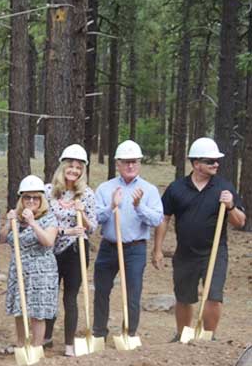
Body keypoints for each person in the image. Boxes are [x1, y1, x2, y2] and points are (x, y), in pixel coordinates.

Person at [154, 137, 246, 340]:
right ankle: (182, 335)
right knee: (184, 297)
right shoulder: (176, 188)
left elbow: (240, 222)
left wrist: (230, 205)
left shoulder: (224, 187)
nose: (216, 164)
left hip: (214, 252)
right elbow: (164, 217)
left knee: (213, 296)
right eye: (210, 161)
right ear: (196, 164)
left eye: (216, 161)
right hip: (185, 253)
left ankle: (209, 338)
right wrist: (158, 249)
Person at [92, 140, 163, 339]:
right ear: (118, 164)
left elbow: (157, 219)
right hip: (109, 247)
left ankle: (129, 333)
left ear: (139, 163)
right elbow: (95, 218)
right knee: (101, 291)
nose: (130, 166)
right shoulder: (106, 188)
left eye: (134, 162)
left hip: (135, 249)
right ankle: (99, 333)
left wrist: (139, 206)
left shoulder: (149, 190)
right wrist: (111, 206)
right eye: (125, 162)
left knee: (133, 293)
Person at [42, 144, 98, 356]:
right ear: (63, 167)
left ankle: (69, 344)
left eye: (78, 167)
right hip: (51, 250)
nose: (74, 170)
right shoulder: (49, 192)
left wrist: (81, 214)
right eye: (70, 166)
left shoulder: (87, 195)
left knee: (70, 297)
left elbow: (92, 227)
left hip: (76, 250)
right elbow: (44, 221)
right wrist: (65, 230)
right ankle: (46, 336)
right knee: (50, 294)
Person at [0, 175, 58, 354]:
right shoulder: (16, 218)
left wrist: (33, 223)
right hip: (19, 268)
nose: (31, 201)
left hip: (41, 270)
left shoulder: (49, 218)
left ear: (41, 200)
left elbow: (48, 241)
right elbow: (1, 239)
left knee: (37, 311)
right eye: (27, 197)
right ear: (21, 199)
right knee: (20, 308)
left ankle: (36, 347)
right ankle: (20, 344)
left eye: (35, 197)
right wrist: (9, 223)